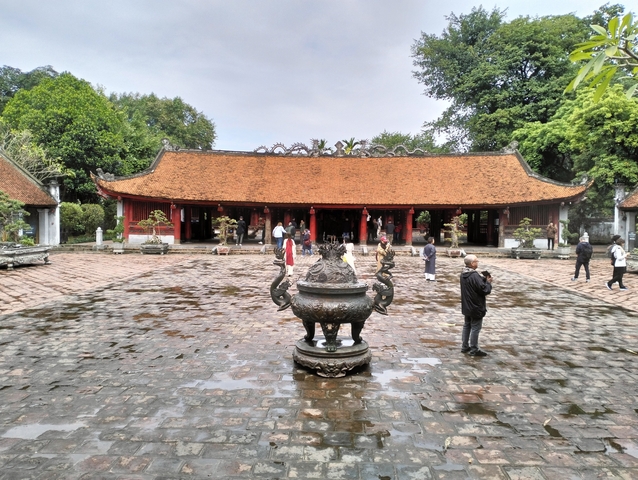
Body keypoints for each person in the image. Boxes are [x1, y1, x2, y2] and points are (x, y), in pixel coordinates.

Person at [460, 254, 493, 357]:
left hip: (467, 305)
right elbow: (484, 290)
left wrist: (482, 280)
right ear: (472, 263)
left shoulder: (463, 274)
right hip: (475, 306)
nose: (477, 263)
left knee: (467, 325)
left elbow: (474, 285)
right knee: (475, 328)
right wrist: (488, 282)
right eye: (476, 261)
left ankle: (465, 346)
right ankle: (474, 348)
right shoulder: (474, 275)